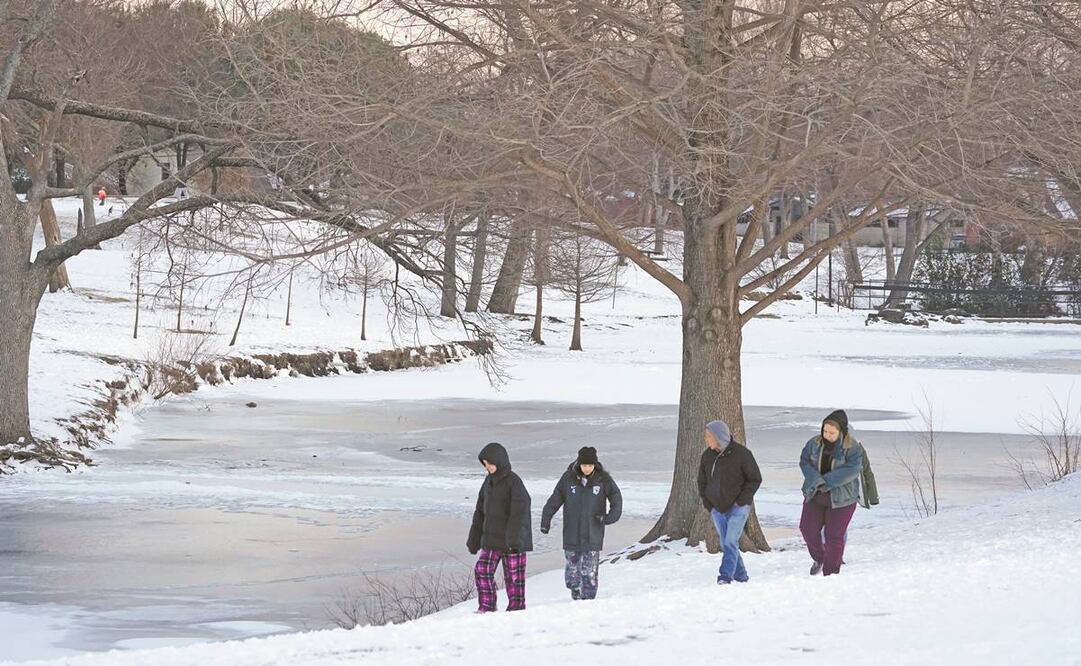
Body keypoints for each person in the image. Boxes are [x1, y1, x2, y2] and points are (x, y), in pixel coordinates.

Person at [540, 446, 623, 600]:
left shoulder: (603, 479)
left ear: (595, 465)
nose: (587, 468)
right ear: (579, 464)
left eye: (590, 465)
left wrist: (609, 517)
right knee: (573, 569)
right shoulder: (568, 478)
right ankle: (575, 590)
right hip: (572, 532)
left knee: (590, 570)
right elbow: (555, 499)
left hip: (593, 532)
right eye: (584, 465)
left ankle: (589, 601)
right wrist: (546, 520)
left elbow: (616, 497)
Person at [467, 442, 532, 612]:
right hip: (492, 538)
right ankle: (487, 607)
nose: (487, 467)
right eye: (485, 464)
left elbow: (520, 511)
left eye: (490, 463)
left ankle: (516, 610)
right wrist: (474, 538)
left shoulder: (514, 482)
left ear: (500, 461)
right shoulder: (488, 482)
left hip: (513, 541)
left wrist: (515, 539)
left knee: (514, 578)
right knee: (482, 569)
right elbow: (480, 511)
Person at [800, 410, 865, 576]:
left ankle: (831, 574)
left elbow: (852, 469)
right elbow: (804, 461)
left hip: (842, 499)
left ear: (841, 431)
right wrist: (816, 480)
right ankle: (820, 558)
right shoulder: (814, 443)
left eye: (831, 432)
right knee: (807, 530)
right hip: (816, 494)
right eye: (825, 431)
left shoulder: (853, 448)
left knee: (834, 536)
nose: (827, 435)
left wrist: (826, 481)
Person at [698, 420, 762, 585]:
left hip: (738, 508)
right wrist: (708, 503)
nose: (706, 439)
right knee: (726, 543)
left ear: (719, 437)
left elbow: (755, 479)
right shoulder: (707, 456)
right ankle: (741, 576)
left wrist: (742, 501)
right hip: (717, 509)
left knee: (730, 542)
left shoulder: (742, 454)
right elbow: (701, 482)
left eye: (709, 436)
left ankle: (725, 576)